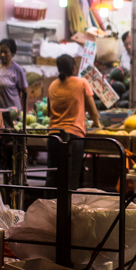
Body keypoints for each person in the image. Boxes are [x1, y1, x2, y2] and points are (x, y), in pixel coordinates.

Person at [47, 54, 101, 190]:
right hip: (73, 138)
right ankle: (69, 209)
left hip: (53, 136)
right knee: (71, 177)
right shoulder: (82, 83)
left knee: (53, 176)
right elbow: (93, 112)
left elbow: (49, 112)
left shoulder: (52, 85)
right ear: (73, 68)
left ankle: (48, 207)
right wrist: (97, 124)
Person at [0, 38, 29, 116]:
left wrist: (24, 112)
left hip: (12, 113)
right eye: (1, 52)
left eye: (5, 52)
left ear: (12, 53)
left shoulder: (17, 70)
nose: (2, 55)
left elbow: (25, 91)